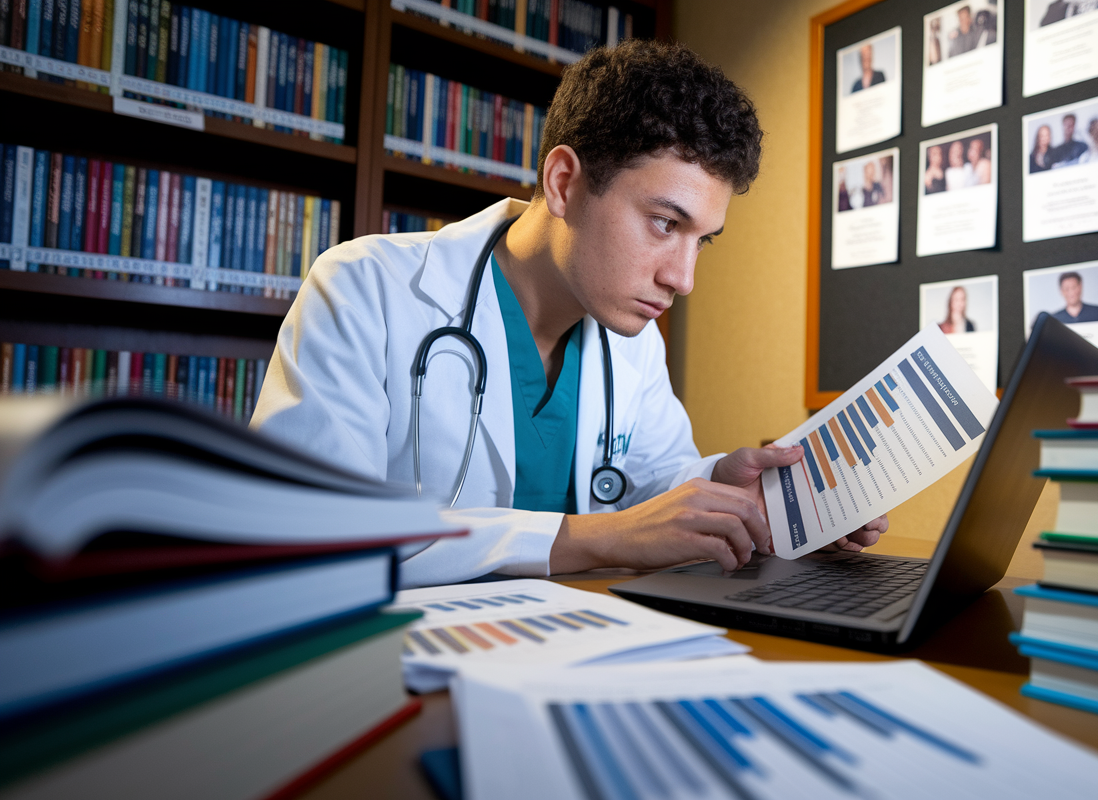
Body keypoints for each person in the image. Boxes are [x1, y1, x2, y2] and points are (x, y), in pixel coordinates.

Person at [250, 41, 888, 587]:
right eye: (665, 223)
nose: (683, 278)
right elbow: (310, 538)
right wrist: (589, 539)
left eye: (702, 240)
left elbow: (645, 493)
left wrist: (730, 488)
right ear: (562, 182)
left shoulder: (629, 333)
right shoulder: (365, 287)